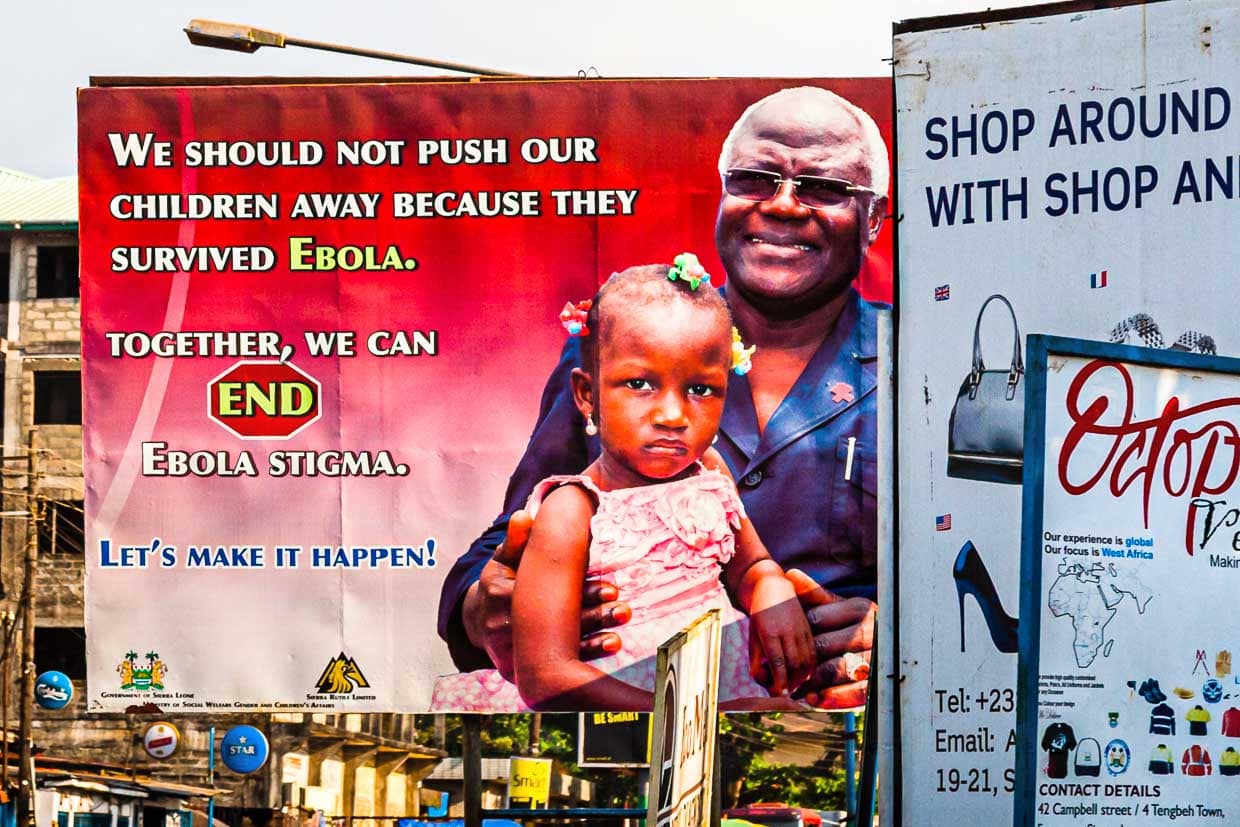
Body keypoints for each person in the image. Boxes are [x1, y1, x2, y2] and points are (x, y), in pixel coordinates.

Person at [437, 86, 887, 708]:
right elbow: (504, 547)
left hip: (841, 745)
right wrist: (483, 606)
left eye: (824, 188)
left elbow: (987, 567)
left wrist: (897, 635)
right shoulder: (616, 352)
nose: (784, 205)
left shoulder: (918, 368)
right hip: (633, 730)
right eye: (755, 179)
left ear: (875, 220)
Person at [431, 262, 814, 711]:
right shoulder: (571, 510)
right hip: (628, 717)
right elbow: (546, 677)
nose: (673, 414)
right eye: (639, 384)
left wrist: (771, 587)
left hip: (720, 693)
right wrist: (695, 716)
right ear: (587, 395)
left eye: (701, 389)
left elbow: (750, 564)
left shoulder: (711, 472)